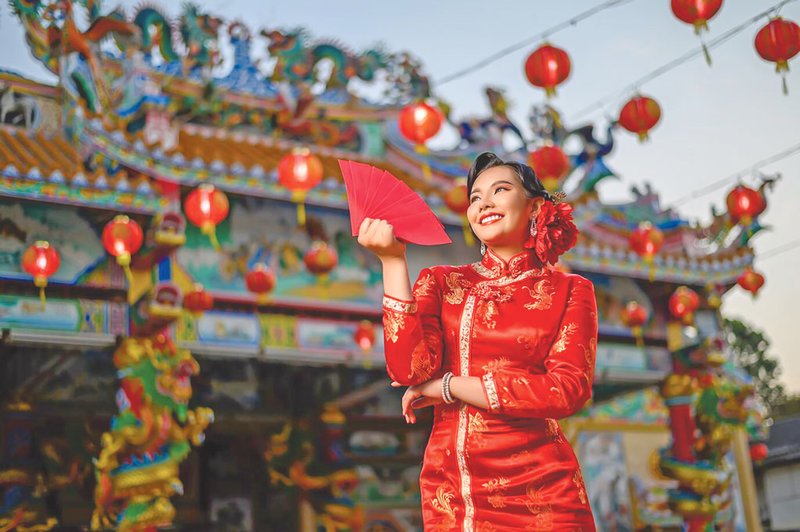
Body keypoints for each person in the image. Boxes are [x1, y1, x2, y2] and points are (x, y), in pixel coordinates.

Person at [357, 152, 598, 530]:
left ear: (535, 206)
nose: (483, 202)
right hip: (455, 493)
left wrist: (450, 386)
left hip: (545, 492)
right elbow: (410, 370)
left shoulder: (570, 290)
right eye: (474, 197)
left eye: (500, 190)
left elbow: (567, 390)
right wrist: (392, 262)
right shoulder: (442, 282)